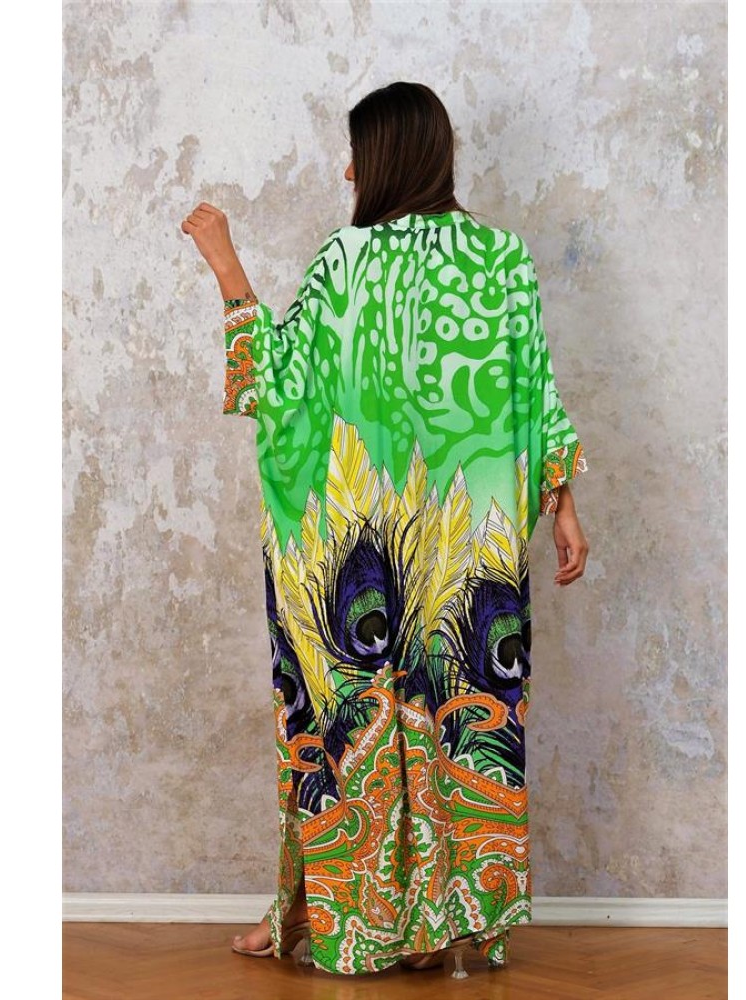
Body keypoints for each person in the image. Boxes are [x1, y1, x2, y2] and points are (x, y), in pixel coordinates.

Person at [181, 81, 589, 978]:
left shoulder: (347, 260)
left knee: (348, 712)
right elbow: (536, 387)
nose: (347, 171)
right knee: (462, 709)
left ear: (385, 158)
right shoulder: (503, 259)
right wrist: (562, 502)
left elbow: (278, 390)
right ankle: (437, 923)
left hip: (361, 548)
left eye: (356, 154)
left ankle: (352, 917)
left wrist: (226, 266)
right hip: (466, 544)